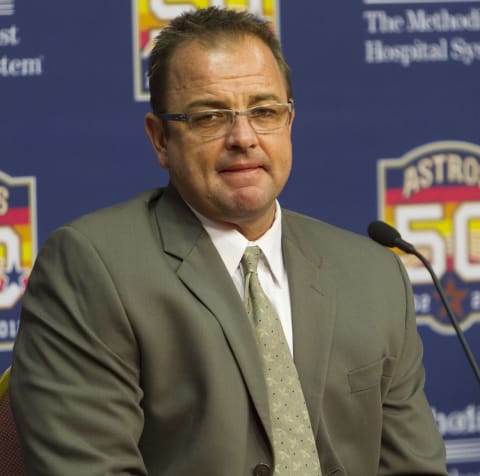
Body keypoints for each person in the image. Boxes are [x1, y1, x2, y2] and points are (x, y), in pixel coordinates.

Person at [10, 6, 447, 476]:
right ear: (160, 139)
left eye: (264, 112)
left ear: (289, 122)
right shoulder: (90, 268)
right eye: (210, 117)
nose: (243, 137)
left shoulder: (374, 274)